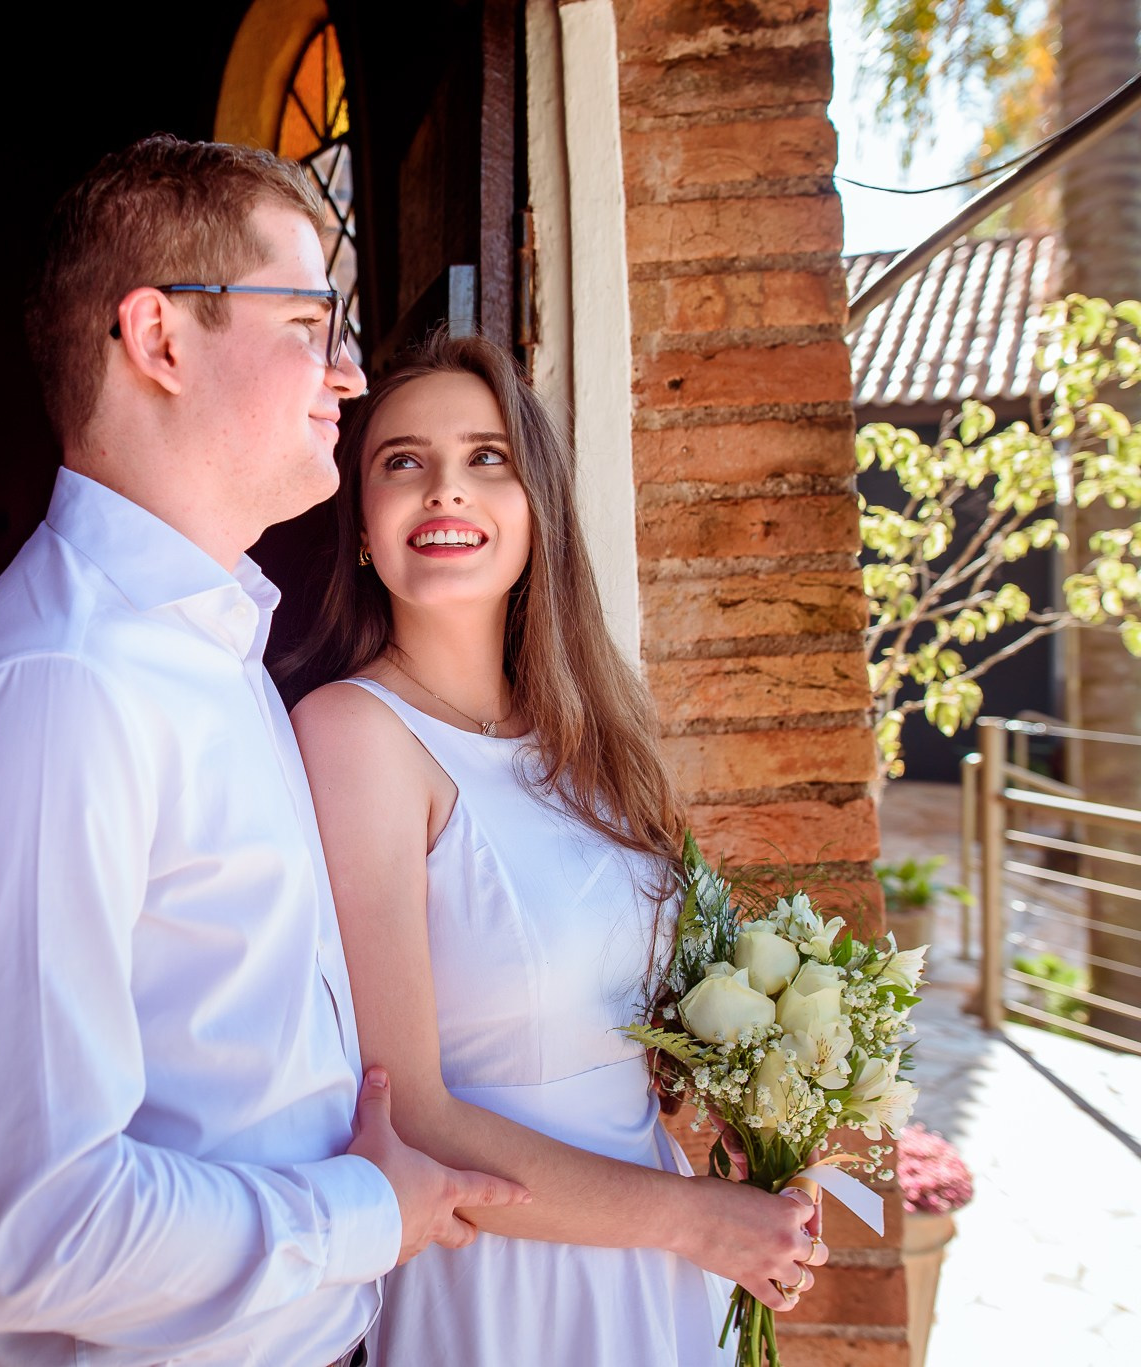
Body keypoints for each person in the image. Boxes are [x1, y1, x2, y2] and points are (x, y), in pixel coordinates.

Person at [0, 137, 529, 1367]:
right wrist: (366, 1213)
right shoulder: (58, 685)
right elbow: (26, 1232)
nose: (346, 373)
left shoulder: (212, 649)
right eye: (308, 320)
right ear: (160, 338)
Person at [286, 330, 831, 1366]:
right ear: (360, 521)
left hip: (656, 1264)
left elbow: (659, 1046)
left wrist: (765, 1161)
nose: (445, 489)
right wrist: (693, 1218)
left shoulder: (591, 743)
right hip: (500, 1279)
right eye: (401, 461)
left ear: (535, 505)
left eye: (487, 457)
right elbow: (411, 1109)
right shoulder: (352, 734)